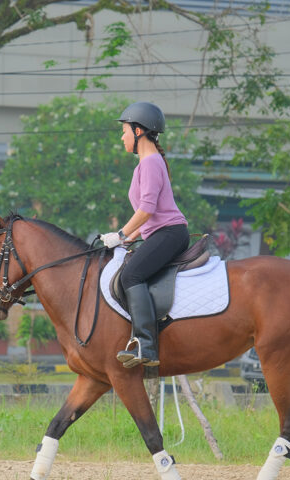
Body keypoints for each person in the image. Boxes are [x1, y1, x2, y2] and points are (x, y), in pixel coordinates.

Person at [100, 101, 189, 369]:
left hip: (170, 233)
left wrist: (120, 233)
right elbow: (148, 214)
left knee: (131, 275)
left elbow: (147, 209)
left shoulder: (150, 163)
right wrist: (127, 238)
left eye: (125, 130)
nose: (122, 136)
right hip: (161, 232)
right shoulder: (147, 164)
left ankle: (146, 344)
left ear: (139, 131)